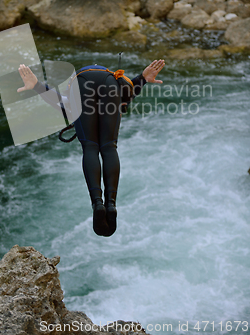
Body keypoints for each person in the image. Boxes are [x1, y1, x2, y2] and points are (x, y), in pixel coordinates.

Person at [17, 59, 165, 237]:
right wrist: (142, 78)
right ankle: (111, 203)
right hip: (111, 81)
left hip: (81, 83)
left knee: (90, 147)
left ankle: (97, 203)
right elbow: (127, 93)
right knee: (109, 147)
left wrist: (36, 86)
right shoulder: (117, 94)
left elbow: (59, 102)